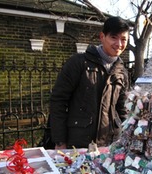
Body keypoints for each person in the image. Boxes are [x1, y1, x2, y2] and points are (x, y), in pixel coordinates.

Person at [49, 16, 130, 149]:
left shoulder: (121, 72)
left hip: (110, 143)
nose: (119, 44)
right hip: (78, 143)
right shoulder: (78, 63)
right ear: (102, 37)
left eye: (123, 39)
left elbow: (122, 109)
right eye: (114, 37)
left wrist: (128, 137)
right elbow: (58, 101)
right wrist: (60, 140)